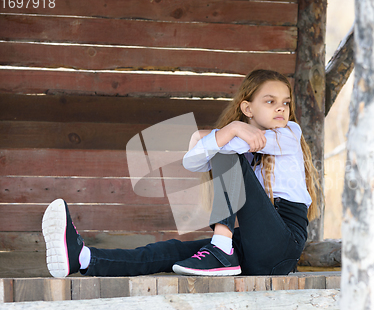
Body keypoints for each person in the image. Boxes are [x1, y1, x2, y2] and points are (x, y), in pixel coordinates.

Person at [42, 69, 322, 278]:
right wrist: (230, 131)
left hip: (283, 244)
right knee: (175, 251)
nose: (281, 108)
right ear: (247, 108)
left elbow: (210, 152)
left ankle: (221, 249)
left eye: (285, 103)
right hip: (256, 245)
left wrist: (226, 132)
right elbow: (194, 162)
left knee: (225, 154)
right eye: (270, 101)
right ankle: (84, 258)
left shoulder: (289, 134)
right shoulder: (241, 145)